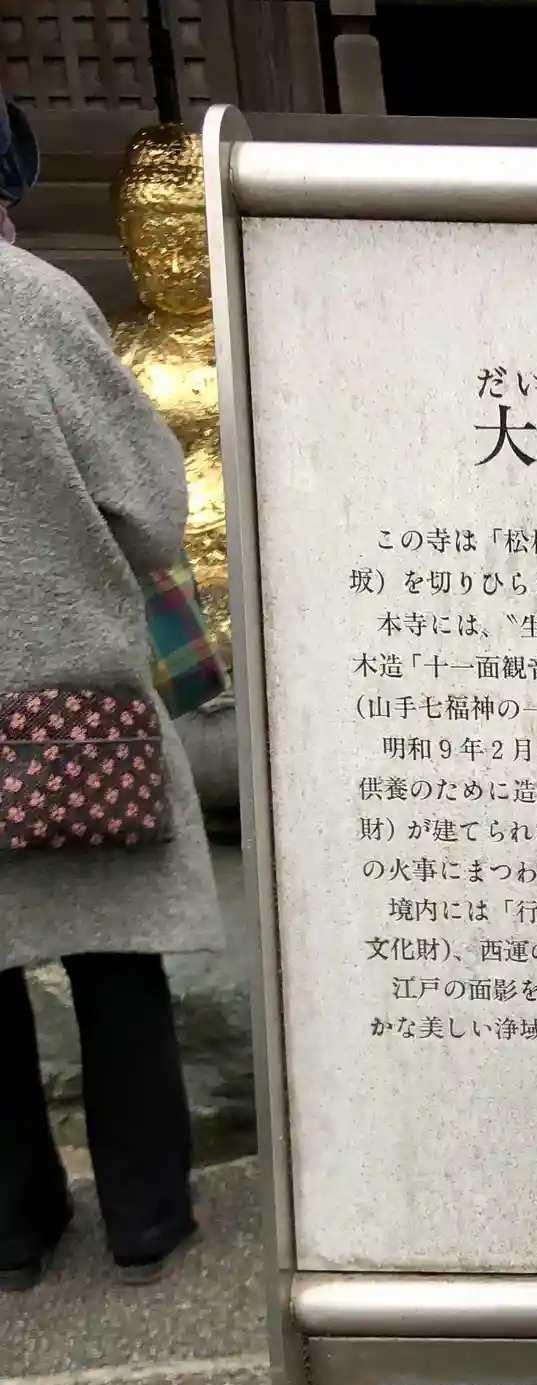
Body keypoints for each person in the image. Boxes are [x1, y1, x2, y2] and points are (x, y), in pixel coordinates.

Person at [0, 194, 221, 1289]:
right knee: (116, 955)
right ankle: (145, 1217)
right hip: (66, 701)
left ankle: (11, 1232)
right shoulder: (35, 302)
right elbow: (144, 506)